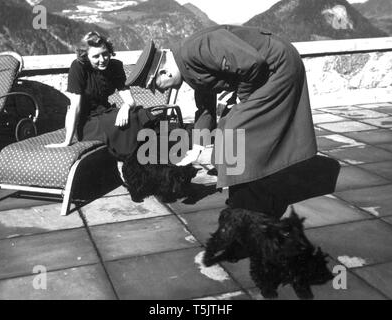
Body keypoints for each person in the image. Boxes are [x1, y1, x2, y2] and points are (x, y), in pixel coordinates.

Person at [126, 25, 318, 218]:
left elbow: (252, 63)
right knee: (228, 126)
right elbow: (205, 106)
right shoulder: (186, 64)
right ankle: (246, 193)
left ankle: (251, 205)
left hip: (278, 67)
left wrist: (243, 100)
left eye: (156, 86)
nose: (161, 91)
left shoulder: (196, 49)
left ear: (164, 72)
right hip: (265, 70)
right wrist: (197, 146)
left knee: (237, 131)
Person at [46, 31, 155, 160]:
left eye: (105, 54)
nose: (102, 60)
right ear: (86, 56)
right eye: (96, 56)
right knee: (121, 123)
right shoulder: (78, 68)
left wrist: (126, 107)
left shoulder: (115, 66)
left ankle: (149, 155)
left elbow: (130, 100)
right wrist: (67, 141)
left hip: (106, 112)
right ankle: (133, 158)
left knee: (139, 113)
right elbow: (75, 107)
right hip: (87, 122)